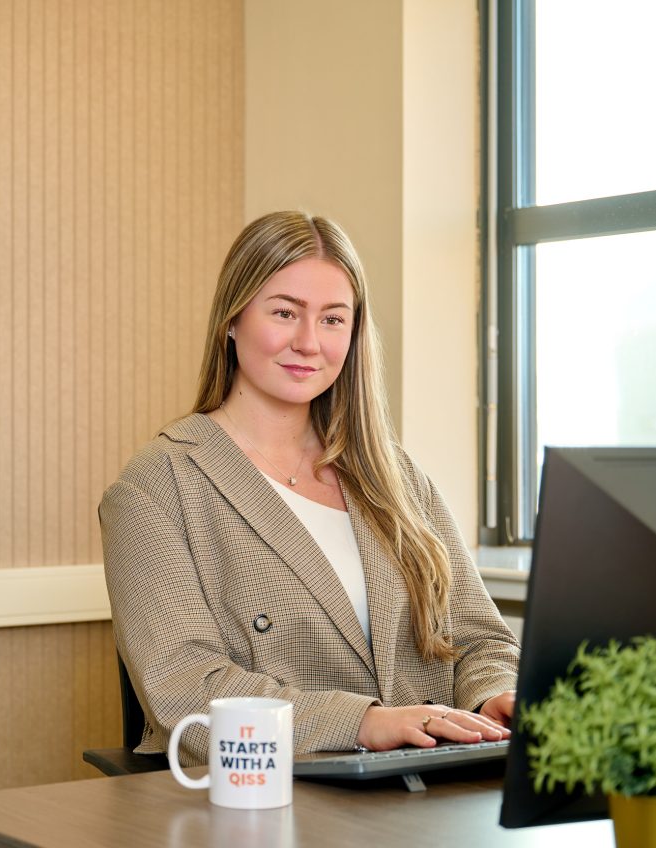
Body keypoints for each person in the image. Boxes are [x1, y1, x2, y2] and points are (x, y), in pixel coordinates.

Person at [99, 211, 520, 766]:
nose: (308, 342)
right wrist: (364, 724)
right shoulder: (157, 486)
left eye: (332, 320)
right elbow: (184, 690)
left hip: (430, 790)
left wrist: (493, 695)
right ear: (232, 319)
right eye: (284, 313)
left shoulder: (394, 475)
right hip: (266, 804)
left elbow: (479, 638)